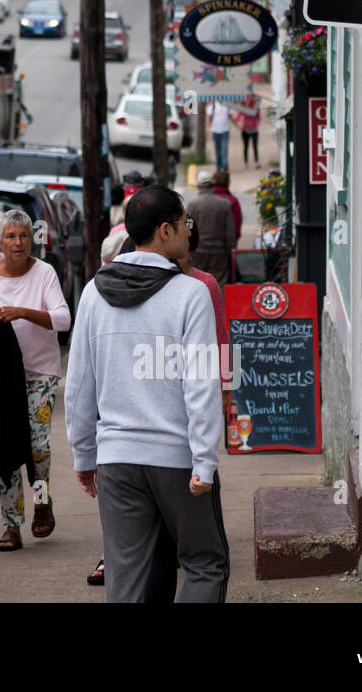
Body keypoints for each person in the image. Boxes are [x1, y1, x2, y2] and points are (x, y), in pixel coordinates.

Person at [65, 185, 229, 603]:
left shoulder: (93, 293)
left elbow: (80, 383)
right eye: (185, 223)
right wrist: (205, 459)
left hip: (116, 458)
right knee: (205, 564)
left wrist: (84, 453)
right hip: (177, 458)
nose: (189, 231)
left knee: (125, 575)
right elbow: (201, 383)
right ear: (164, 231)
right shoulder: (190, 293)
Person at [0, 209, 71, 552]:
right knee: (6, 449)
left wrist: (22, 312)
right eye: (11, 236)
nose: (18, 242)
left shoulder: (44, 273)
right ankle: (11, 525)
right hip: (0, 378)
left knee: (38, 446)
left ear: (32, 238)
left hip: (40, 373)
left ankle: (42, 501)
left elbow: (63, 319)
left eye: (24, 235)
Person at [143, 218, 230, 603]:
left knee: (187, 536)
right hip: (160, 418)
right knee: (167, 543)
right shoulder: (143, 283)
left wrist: (223, 393)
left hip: (185, 419)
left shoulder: (202, 285)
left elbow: (220, 345)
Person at [188, 171, 237, 286]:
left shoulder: (192, 205)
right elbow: (230, 232)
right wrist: (230, 249)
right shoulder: (224, 204)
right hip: (219, 251)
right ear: (212, 185)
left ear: (198, 186)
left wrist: (189, 250)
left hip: (198, 251)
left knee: (197, 282)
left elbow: (188, 229)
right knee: (218, 283)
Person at [211, 169, 243, 239]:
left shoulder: (203, 200)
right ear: (227, 182)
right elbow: (237, 224)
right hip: (225, 242)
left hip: (202, 243)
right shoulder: (233, 201)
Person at [207, 101, 231, 171]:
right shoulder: (212, 106)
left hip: (225, 131)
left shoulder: (227, 106)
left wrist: (237, 125)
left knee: (224, 149)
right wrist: (207, 127)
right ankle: (219, 165)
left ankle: (224, 164)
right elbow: (208, 118)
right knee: (218, 150)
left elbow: (230, 117)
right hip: (215, 131)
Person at [237, 93, 261, 165]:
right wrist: (241, 121)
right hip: (245, 129)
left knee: (255, 146)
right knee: (246, 146)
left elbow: (258, 118)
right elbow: (238, 117)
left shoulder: (256, 107)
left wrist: (257, 122)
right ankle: (246, 162)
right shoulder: (243, 106)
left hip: (254, 129)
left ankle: (256, 161)